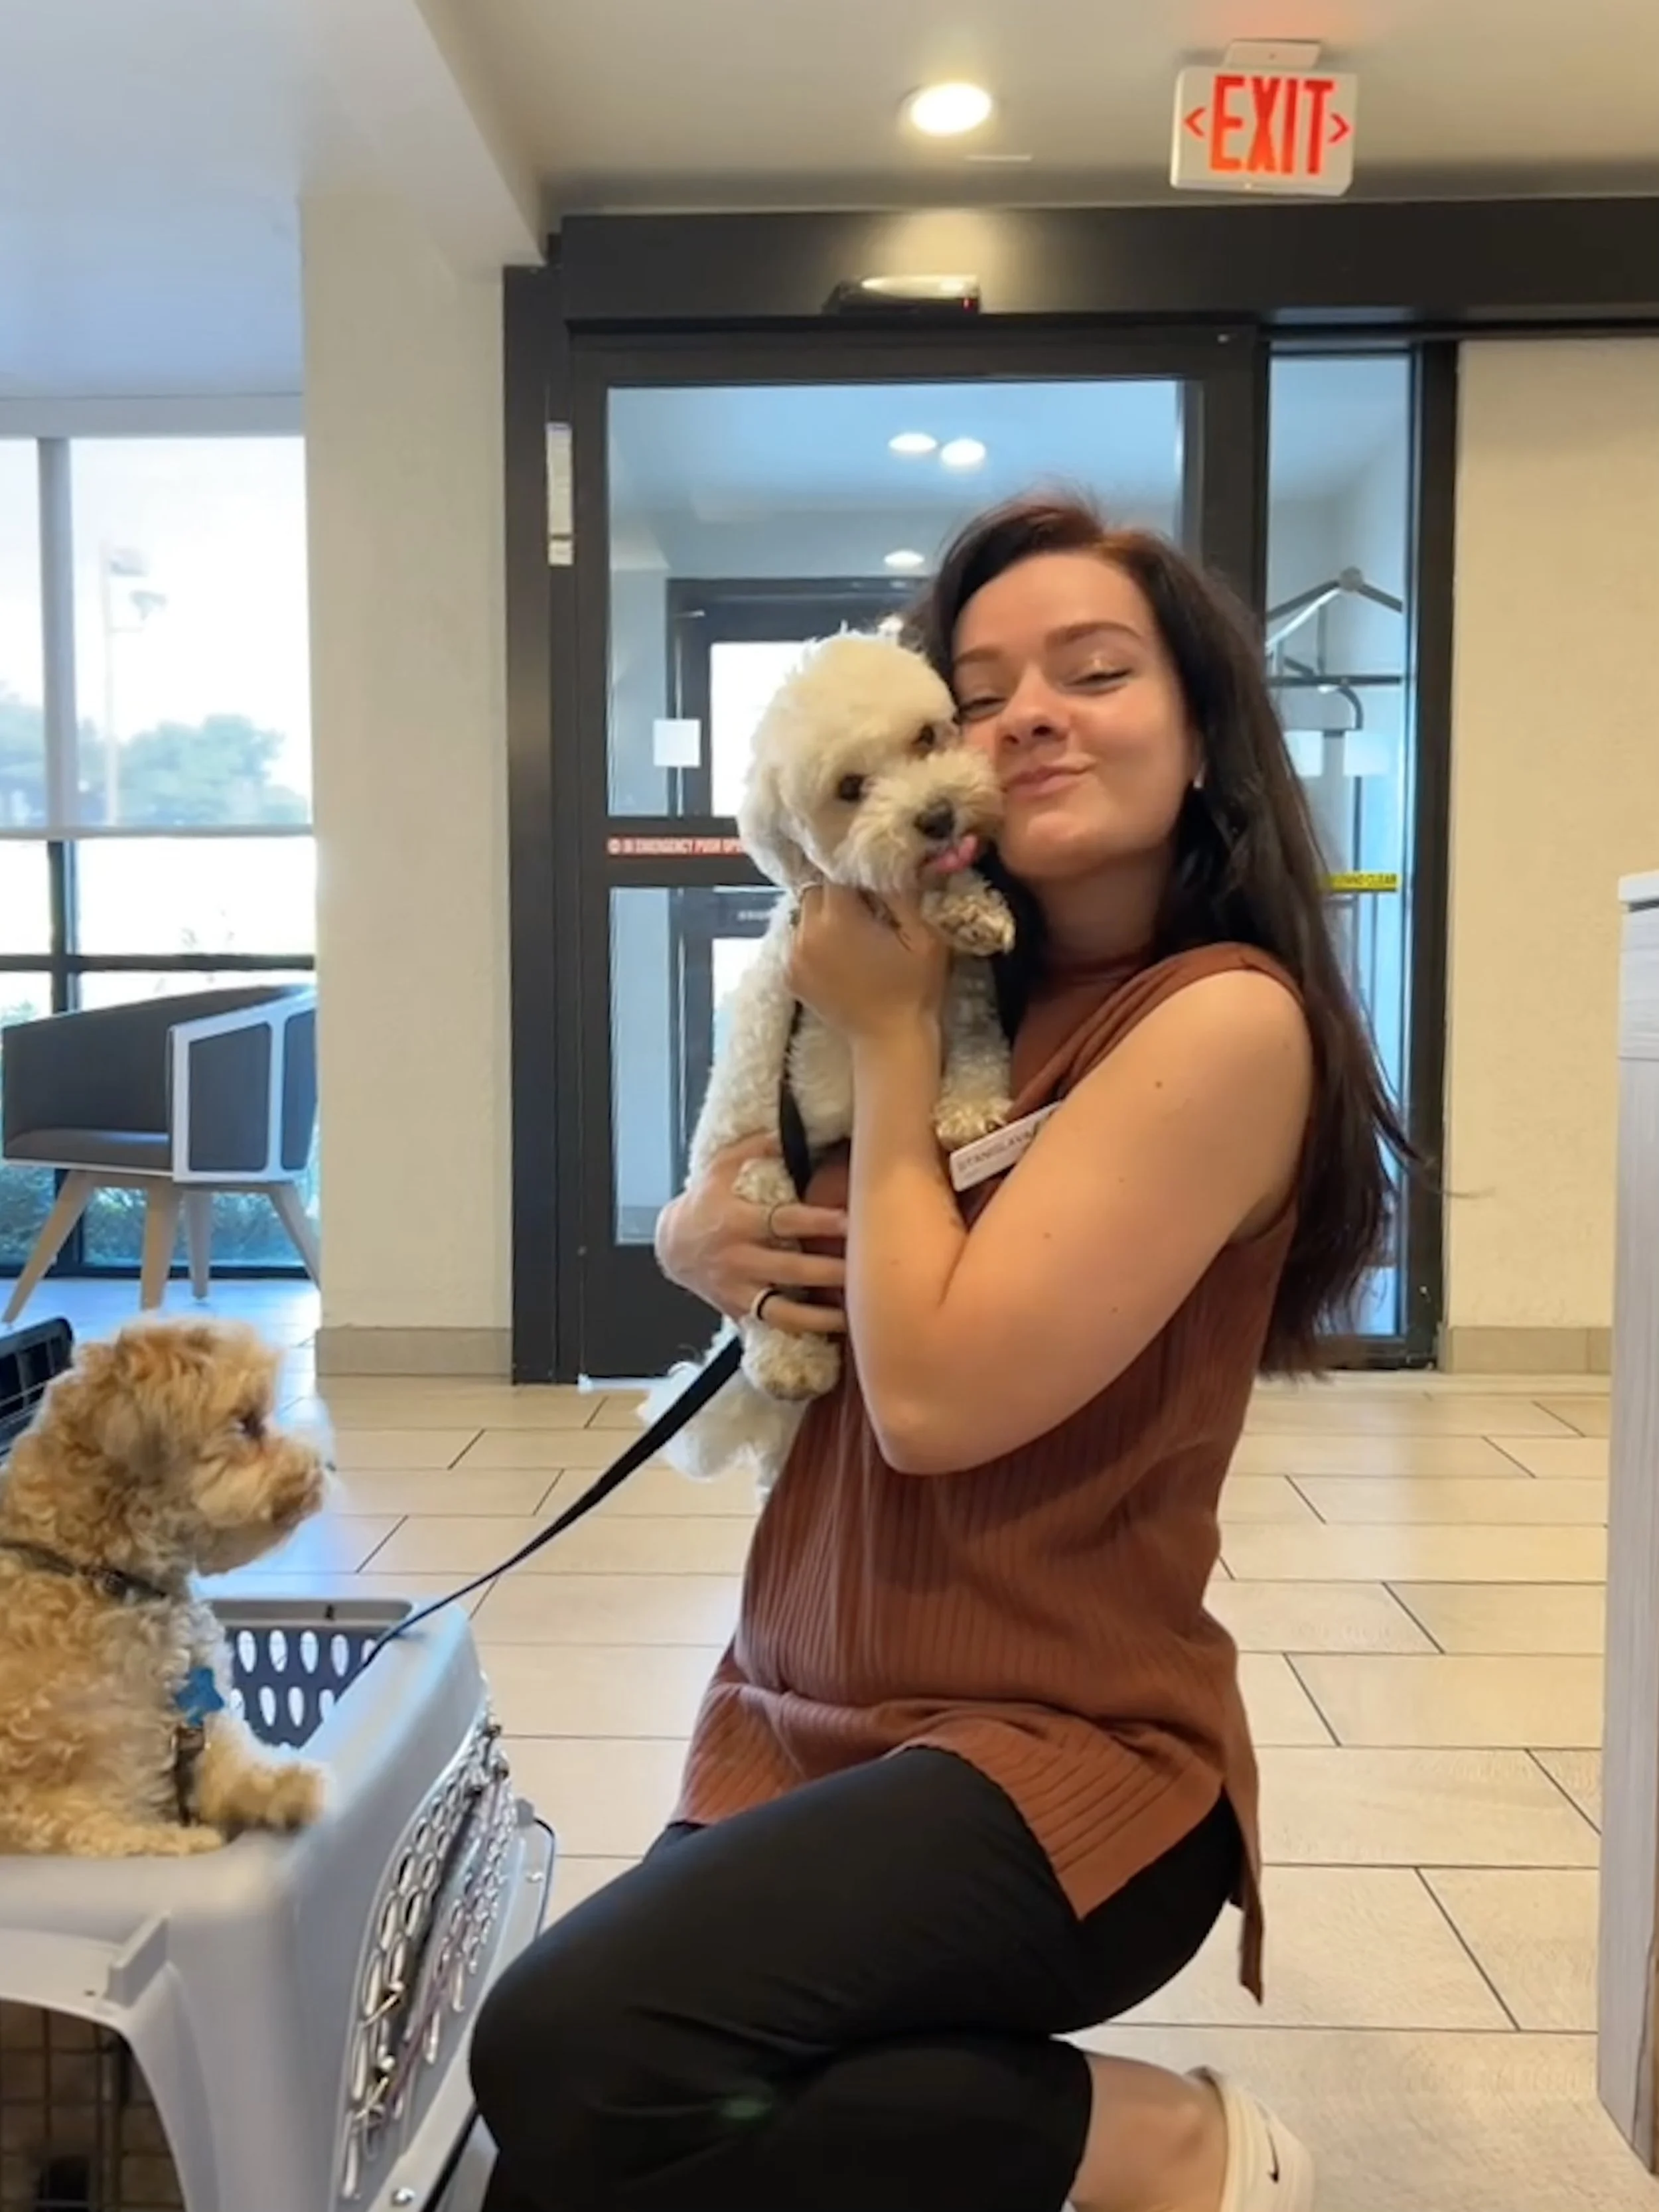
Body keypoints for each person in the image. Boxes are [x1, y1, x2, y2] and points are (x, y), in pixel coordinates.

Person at [470, 495, 1409, 2212]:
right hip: (797, 1702)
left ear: (1202, 732)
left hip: (1054, 1753)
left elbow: (932, 1397)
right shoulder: (938, 977)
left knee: (567, 2048)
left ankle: (1176, 2150)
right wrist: (701, 1235)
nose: (1026, 711)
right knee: (570, 2157)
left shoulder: (1213, 1021)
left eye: (1095, 668)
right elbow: (809, 1234)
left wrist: (894, 1040)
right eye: (974, 688)